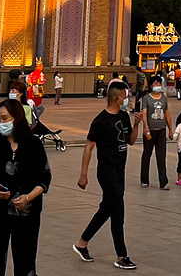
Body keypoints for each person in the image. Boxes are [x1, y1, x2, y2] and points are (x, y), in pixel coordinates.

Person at [74, 82, 142, 270]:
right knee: (117, 212)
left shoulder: (123, 116)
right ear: (116, 98)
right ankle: (122, 255)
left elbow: (131, 141)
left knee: (106, 209)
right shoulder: (100, 121)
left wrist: (136, 125)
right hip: (106, 171)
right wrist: (83, 175)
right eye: (124, 95)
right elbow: (89, 147)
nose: (127, 99)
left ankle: (82, 243)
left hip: (120, 170)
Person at [0, 99, 51, 276]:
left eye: (5, 118)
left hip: (27, 213)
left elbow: (44, 179)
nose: (1, 123)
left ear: (17, 118)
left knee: (25, 260)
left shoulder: (33, 145)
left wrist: (28, 197)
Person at [138, 75, 171, 189]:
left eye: (159, 83)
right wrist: (146, 127)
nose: (158, 86)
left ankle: (163, 182)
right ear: (151, 86)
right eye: (155, 84)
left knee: (161, 156)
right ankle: (144, 179)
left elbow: (166, 113)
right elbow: (144, 113)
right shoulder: (147, 98)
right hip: (150, 129)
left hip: (161, 129)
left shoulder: (163, 98)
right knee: (147, 154)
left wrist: (170, 129)